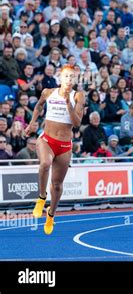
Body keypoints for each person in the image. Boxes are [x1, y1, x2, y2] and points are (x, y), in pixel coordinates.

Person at [27, 65, 85, 235]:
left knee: (58, 186)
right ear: (61, 78)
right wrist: (32, 122)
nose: (69, 80)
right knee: (45, 163)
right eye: (66, 76)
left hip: (65, 146)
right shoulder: (48, 92)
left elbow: (77, 123)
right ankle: (41, 197)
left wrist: (68, 104)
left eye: (72, 77)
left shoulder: (78, 96)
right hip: (46, 140)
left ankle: (51, 215)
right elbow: (38, 106)